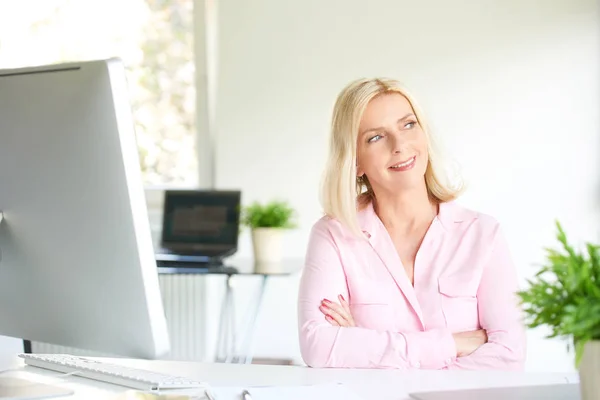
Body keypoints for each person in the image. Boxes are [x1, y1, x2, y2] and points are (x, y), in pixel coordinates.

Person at [297, 77, 526, 370]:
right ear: (355, 162)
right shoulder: (333, 235)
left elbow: (509, 354)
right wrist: (451, 344)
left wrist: (363, 345)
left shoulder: (482, 234)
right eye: (375, 137)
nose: (400, 145)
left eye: (408, 125)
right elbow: (318, 347)